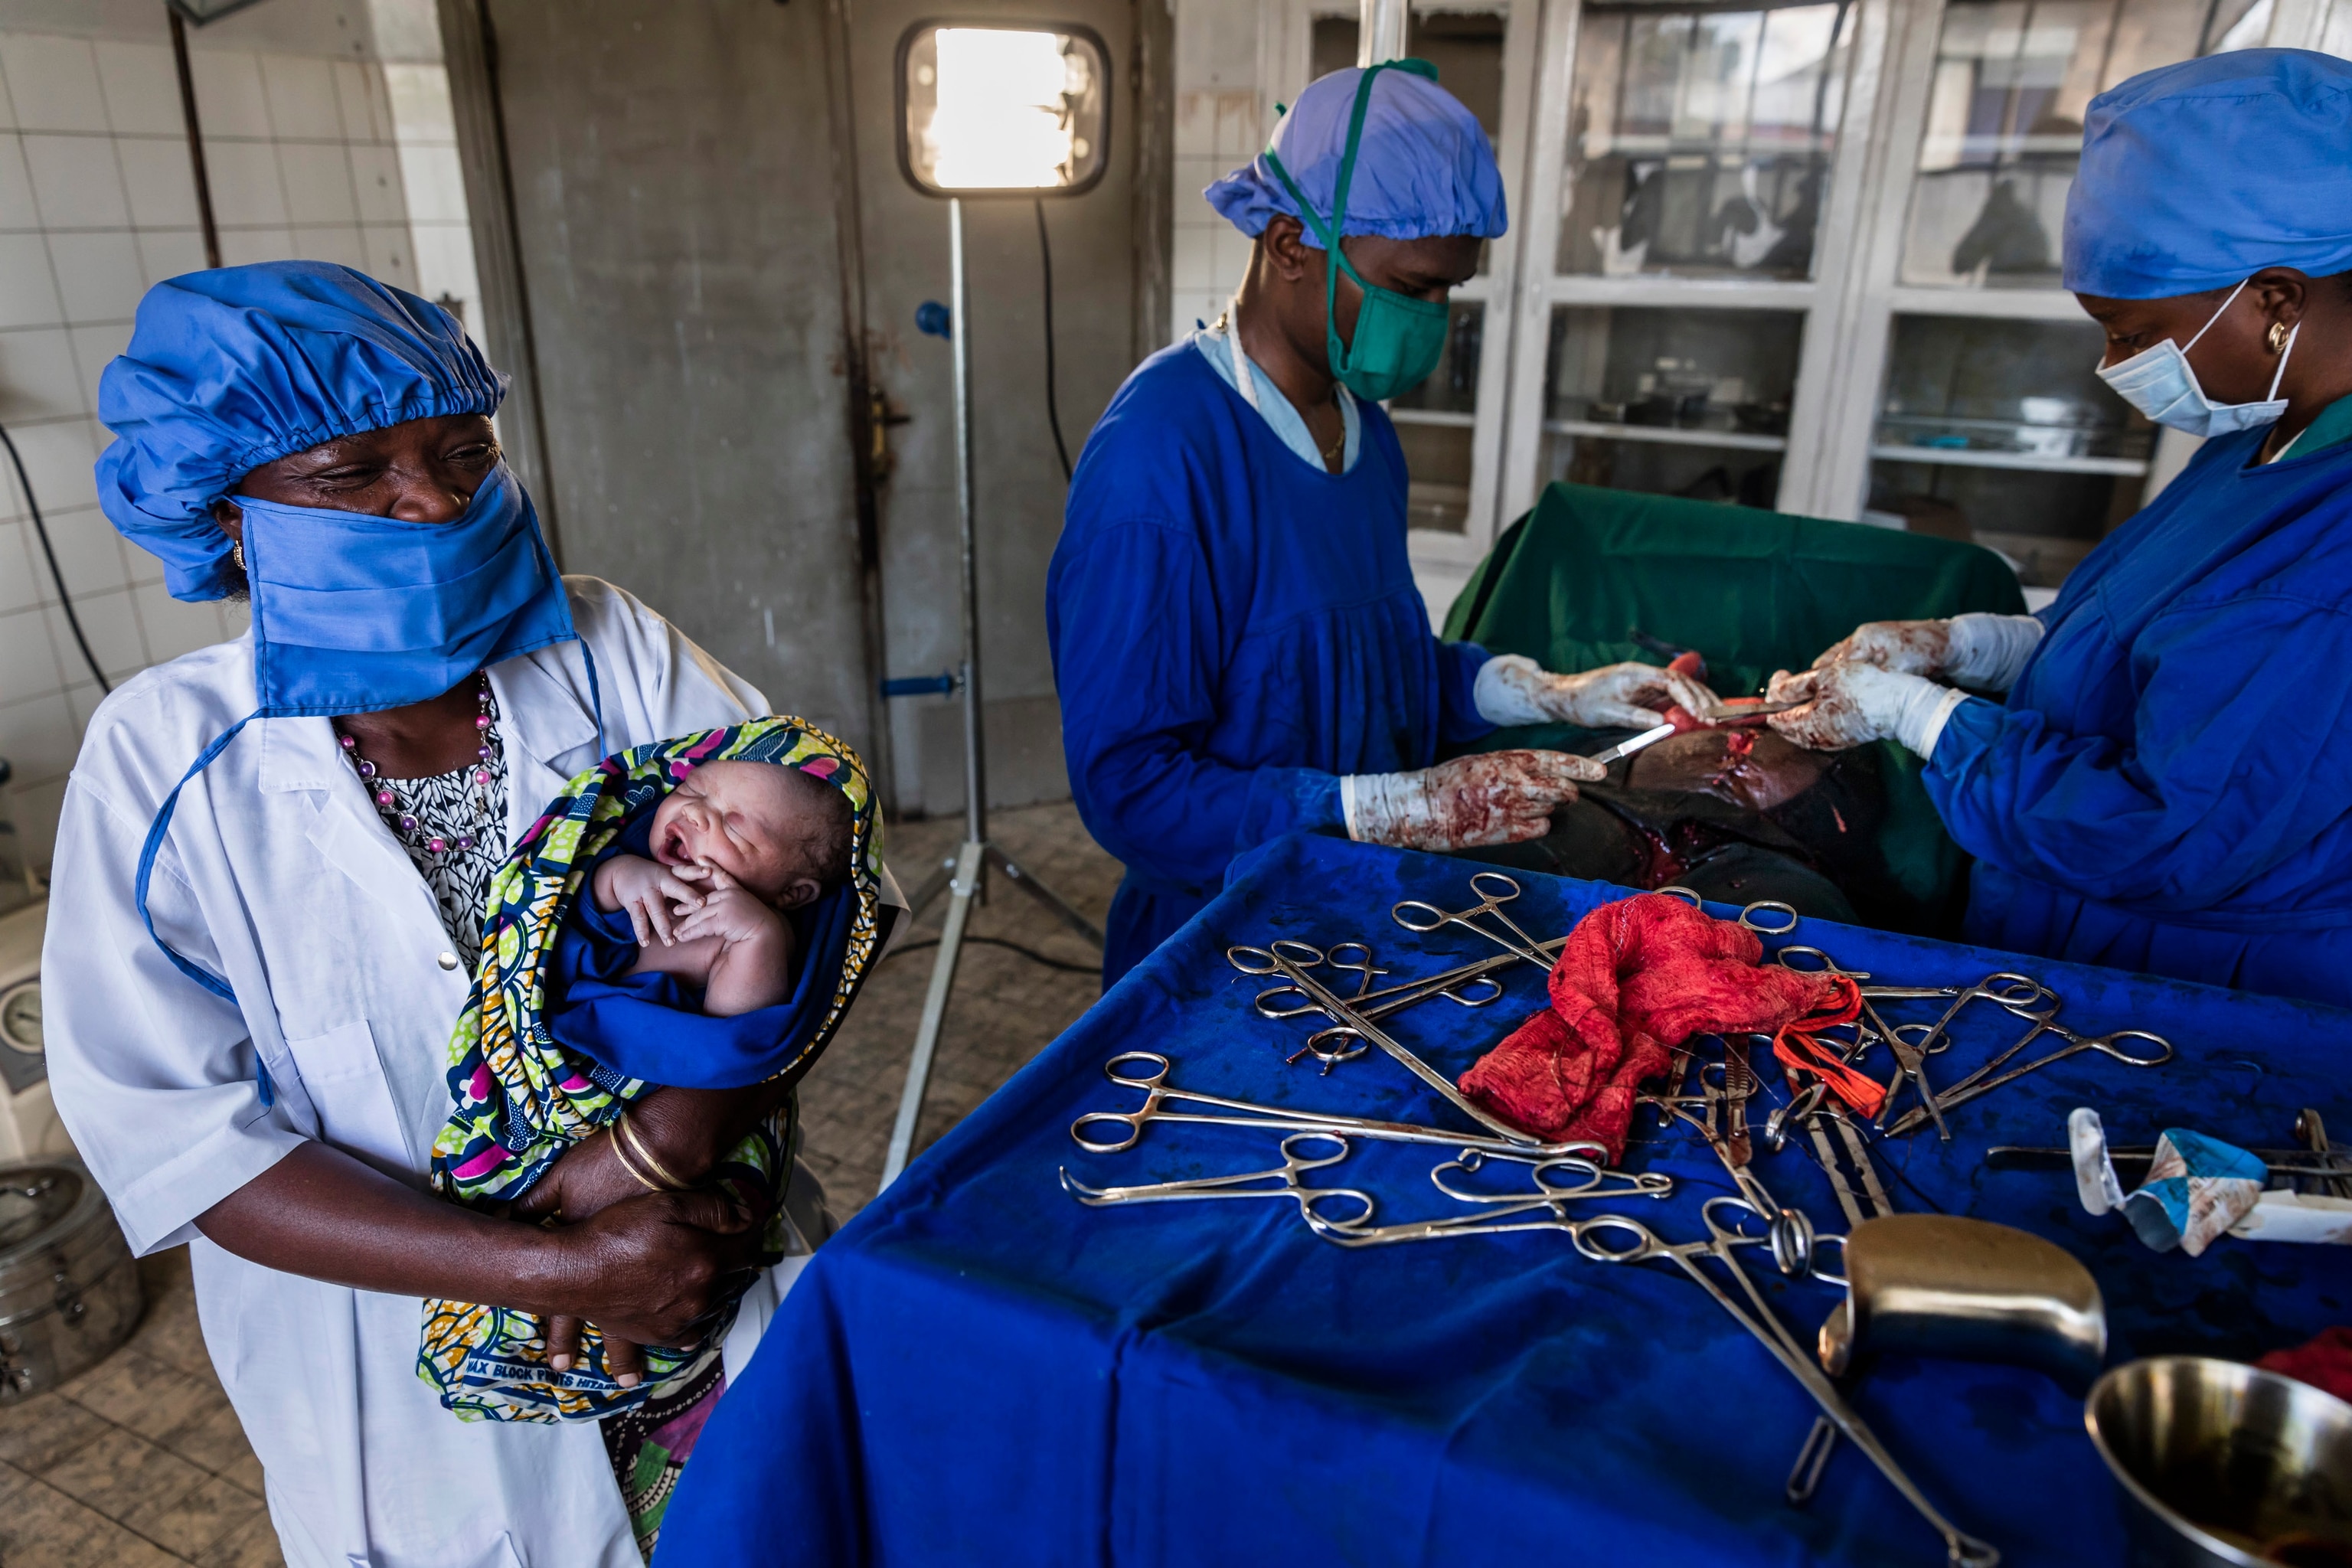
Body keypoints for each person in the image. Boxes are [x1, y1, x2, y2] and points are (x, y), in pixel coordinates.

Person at [42, 261, 845, 1565]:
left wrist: (656, 1155)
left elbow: (826, 884)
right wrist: (557, 1269)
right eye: (353, 470)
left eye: (461, 448)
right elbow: (176, 1133)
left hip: (702, 1280)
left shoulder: (610, 652)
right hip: (403, 1397)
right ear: (227, 511)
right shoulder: (164, 760)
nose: (433, 497)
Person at [1048, 61, 1714, 985]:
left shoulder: (1365, 429)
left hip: (1368, 918)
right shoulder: (1161, 457)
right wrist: (1386, 806)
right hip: (1221, 943)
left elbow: (1379, 672)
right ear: (1290, 243)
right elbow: (1133, 791)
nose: (1433, 321)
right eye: (1412, 287)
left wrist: (1556, 692)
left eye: (1450, 293)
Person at [1764, 49, 2352, 1007]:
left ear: (2276, 301)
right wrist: (1976, 647)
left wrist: (1919, 718)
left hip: (2196, 978)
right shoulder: (2260, 439)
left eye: (2129, 330)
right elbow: (2155, 635)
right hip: (2076, 915)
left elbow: (2168, 831)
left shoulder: (2331, 557)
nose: (2112, 361)